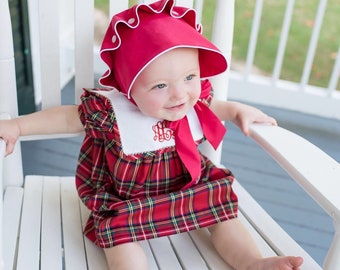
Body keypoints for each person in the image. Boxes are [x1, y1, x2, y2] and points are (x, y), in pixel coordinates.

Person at [0, 0, 303, 269]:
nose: (180, 95)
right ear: (130, 87)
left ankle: (253, 263)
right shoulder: (112, 112)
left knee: (221, 210)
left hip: (186, 184)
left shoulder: (192, 101)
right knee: (119, 236)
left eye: (189, 77)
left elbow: (214, 105)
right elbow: (67, 118)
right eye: (160, 86)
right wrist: (18, 126)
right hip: (126, 198)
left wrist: (238, 111)